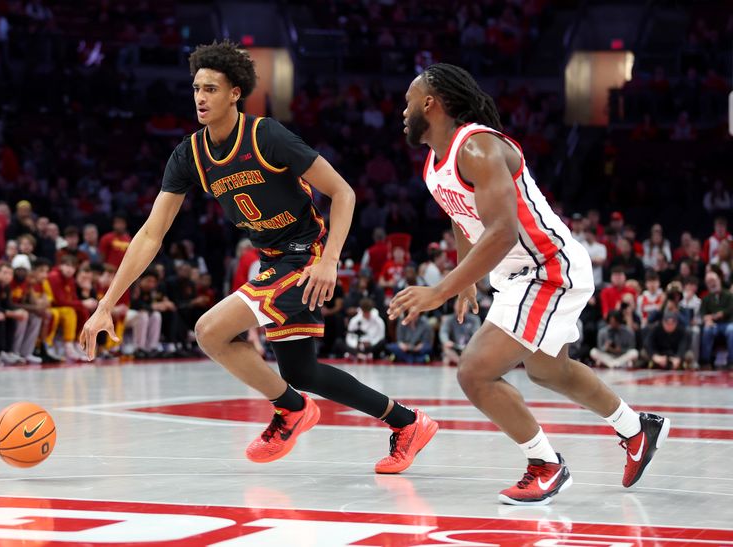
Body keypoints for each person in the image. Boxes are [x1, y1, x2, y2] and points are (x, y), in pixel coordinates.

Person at [80, 40, 437, 473]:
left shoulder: (265, 135)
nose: (200, 97)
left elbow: (343, 192)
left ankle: (291, 410)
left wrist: (329, 262)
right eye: (196, 88)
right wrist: (106, 304)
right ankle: (408, 423)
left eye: (211, 89)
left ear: (235, 93)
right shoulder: (189, 155)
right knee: (303, 372)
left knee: (209, 331)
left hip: (305, 255)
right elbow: (151, 234)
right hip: (272, 259)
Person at [391, 63, 669, 505]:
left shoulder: (478, 147)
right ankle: (637, 430)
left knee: (475, 372)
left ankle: (546, 465)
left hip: (547, 268)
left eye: (408, 101)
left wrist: (440, 290)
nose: (402, 111)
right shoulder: (434, 164)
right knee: (548, 370)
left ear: (430, 103)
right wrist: (465, 283)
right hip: (521, 273)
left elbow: (502, 232)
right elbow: (463, 219)